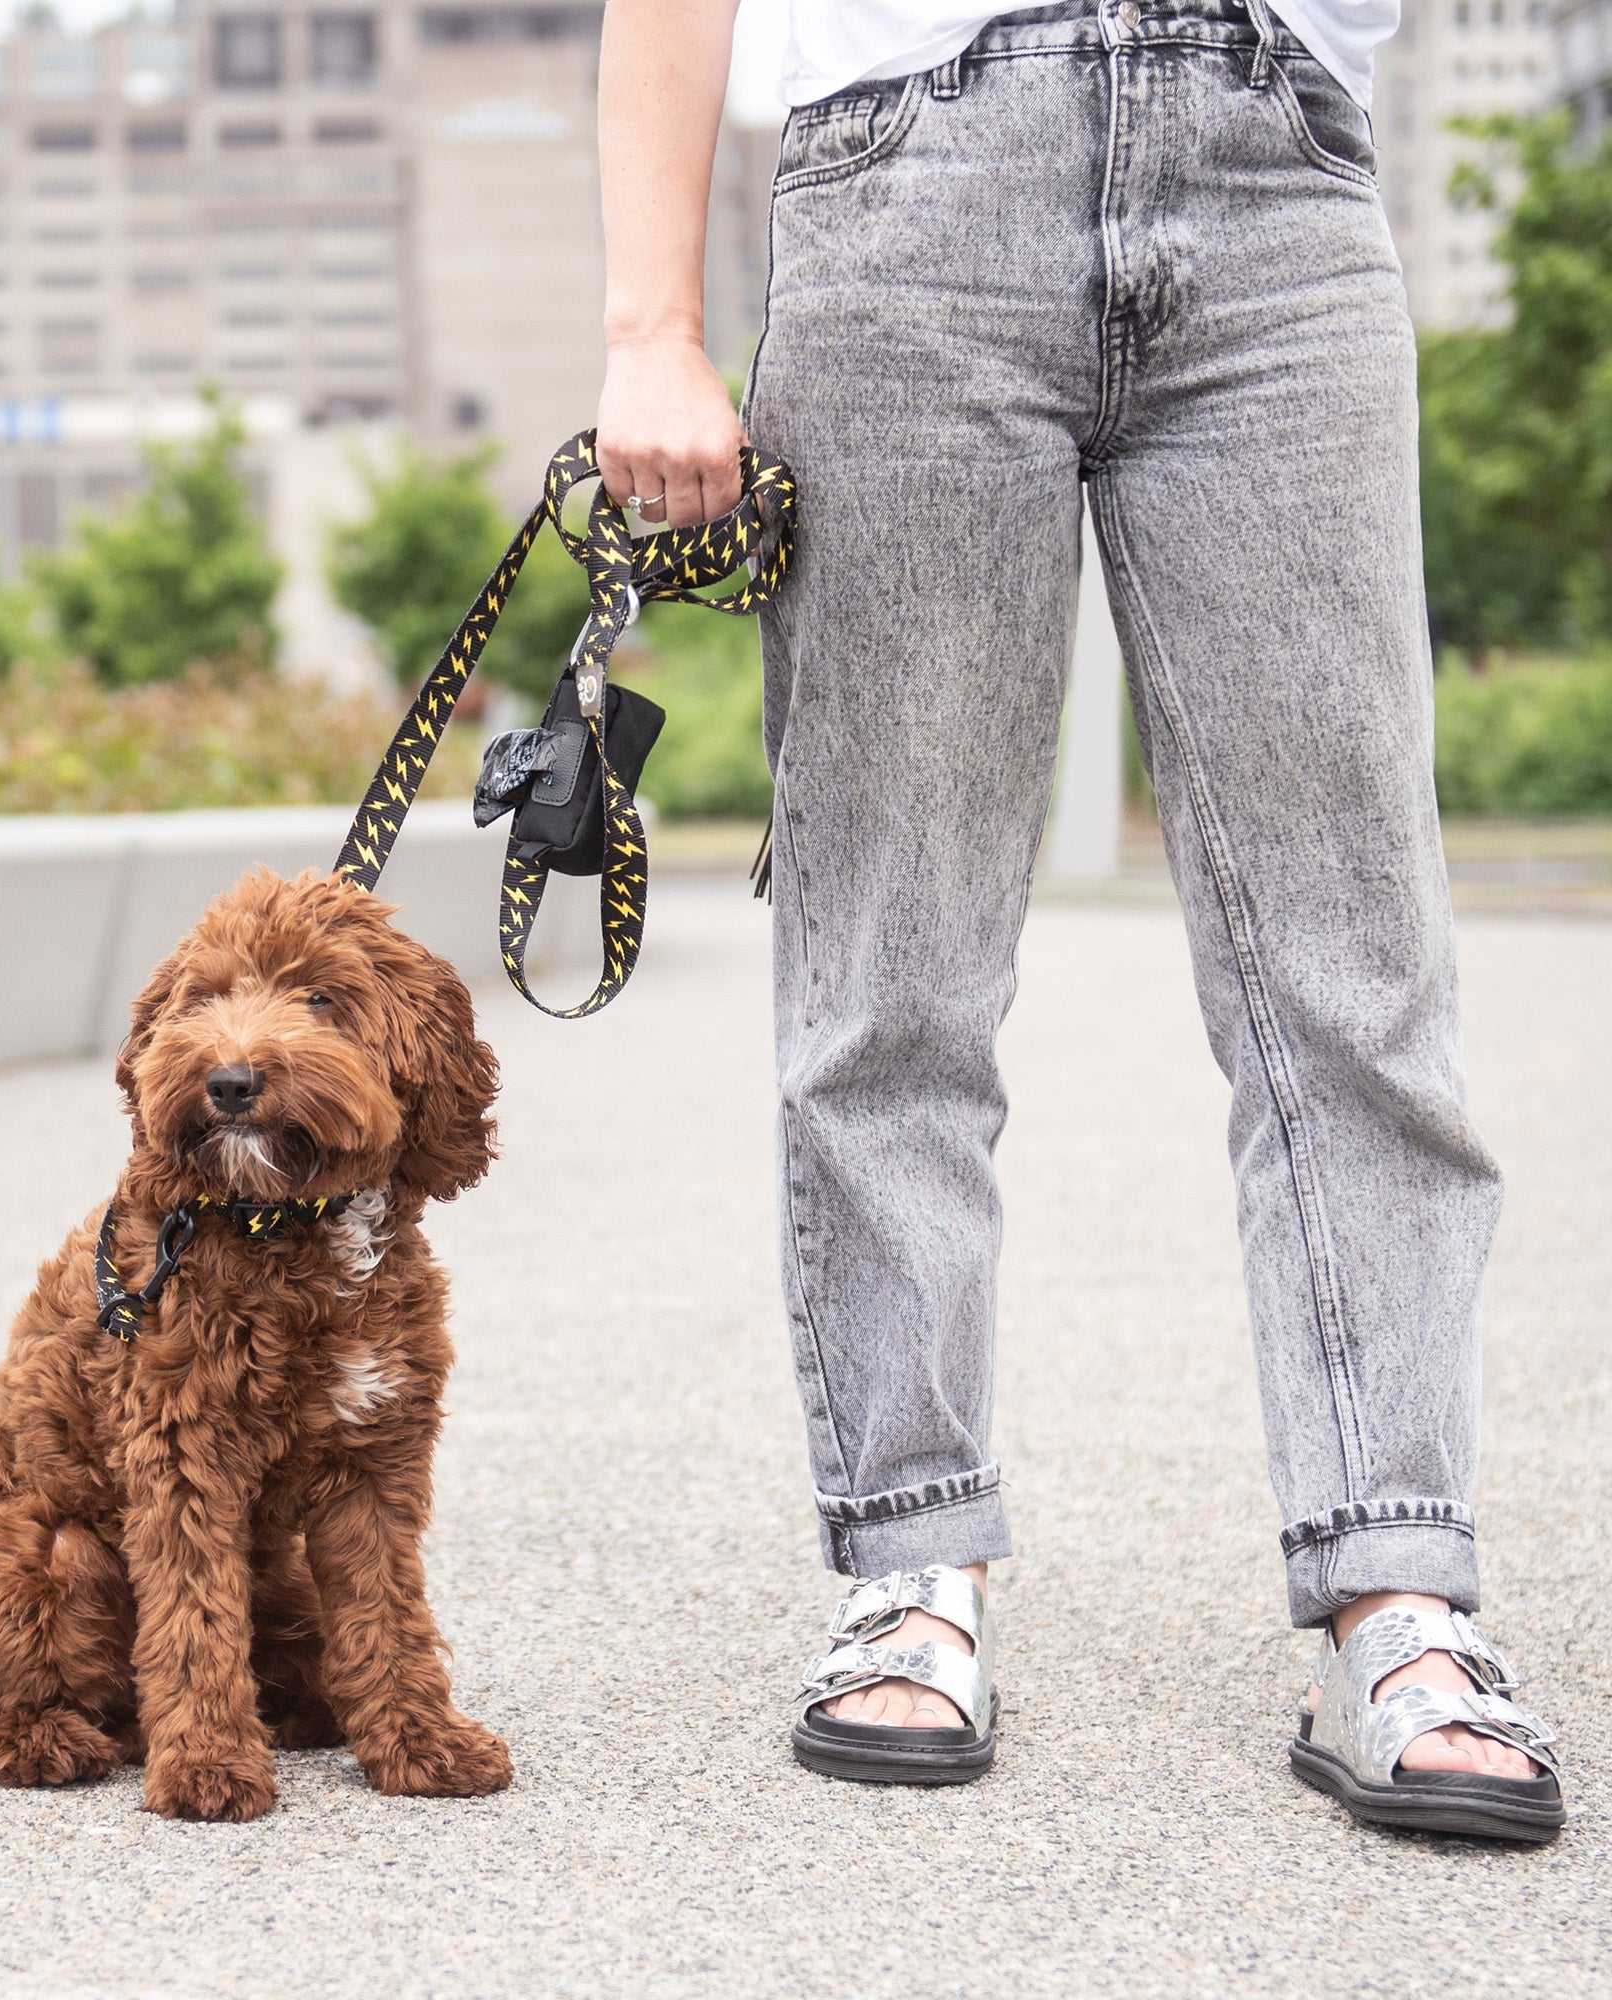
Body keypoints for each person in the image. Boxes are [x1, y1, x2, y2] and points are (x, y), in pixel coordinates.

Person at [593, 0, 1564, 1839]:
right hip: (912, 181)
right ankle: (910, 1561)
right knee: (896, 965)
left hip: (1277, 165)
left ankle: (1400, 1597)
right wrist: (652, 324)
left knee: (1350, 972)